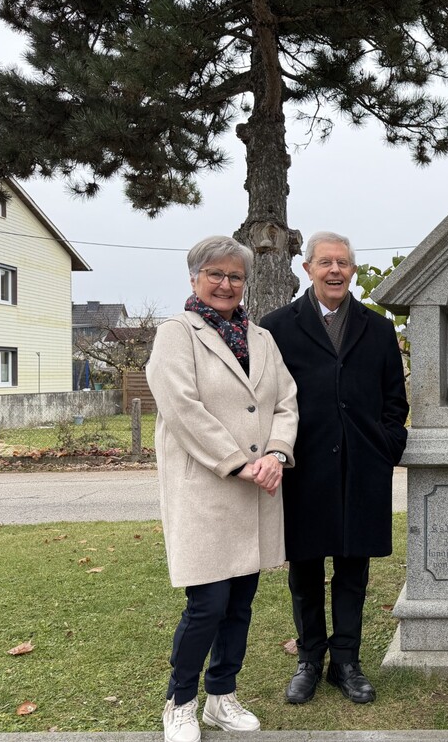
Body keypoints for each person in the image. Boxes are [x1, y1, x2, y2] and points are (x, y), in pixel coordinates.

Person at [147, 236, 299, 742]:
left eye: (236, 276)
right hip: (208, 490)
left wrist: (276, 453)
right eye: (216, 274)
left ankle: (221, 696)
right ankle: (180, 701)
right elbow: (182, 408)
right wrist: (238, 463)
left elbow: (286, 402)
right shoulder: (177, 334)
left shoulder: (261, 339)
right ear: (195, 278)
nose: (226, 284)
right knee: (207, 603)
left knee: (240, 602)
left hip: (257, 490)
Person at [260, 231, 408, 707]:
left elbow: (394, 400)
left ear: (353, 270)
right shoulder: (277, 327)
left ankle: (346, 662)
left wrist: (387, 445)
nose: (335, 271)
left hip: (364, 467)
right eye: (325, 262)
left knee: (353, 569)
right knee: (304, 570)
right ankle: (310, 661)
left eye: (343, 263)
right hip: (303, 468)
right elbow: (264, 399)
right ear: (307, 268)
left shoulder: (378, 328)